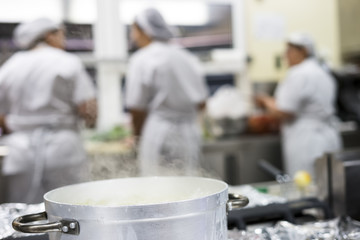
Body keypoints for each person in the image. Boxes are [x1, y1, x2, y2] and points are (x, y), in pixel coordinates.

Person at [0, 18, 97, 203]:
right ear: (48, 35)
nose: (64, 39)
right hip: (63, 149)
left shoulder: (11, 65)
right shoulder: (68, 61)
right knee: (70, 210)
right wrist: (90, 121)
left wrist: (16, 125)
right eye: (61, 33)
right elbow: (88, 109)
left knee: (24, 215)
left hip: (21, 150)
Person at [125, 8, 208, 176]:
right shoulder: (186, 57)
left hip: (159, 133)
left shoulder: (142, 59)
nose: (133, 36)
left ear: (145, 31)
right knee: (188, 187)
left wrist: (136, 138)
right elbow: (202, 103)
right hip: (189, 134)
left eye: (134, 30)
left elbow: (137, 108)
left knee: (159, 190)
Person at [256, 32, 342, 177]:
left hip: (307, 141)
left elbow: (285, 111)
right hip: (328, 137)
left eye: (289, 51)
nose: (285, 56)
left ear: (303, 51)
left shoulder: (299, 73)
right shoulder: (322, 72)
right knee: (330, 184)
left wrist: (265, 101)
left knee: (307, 187)